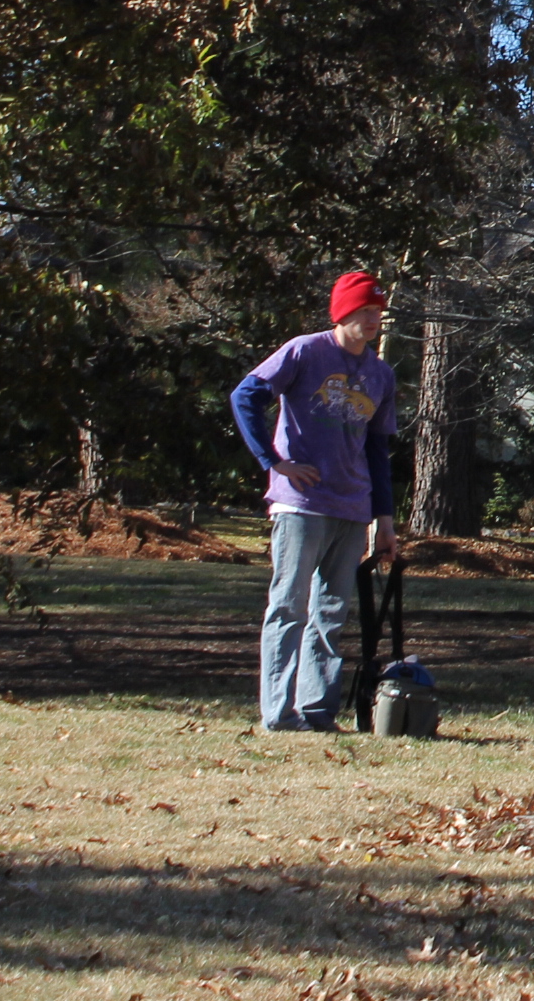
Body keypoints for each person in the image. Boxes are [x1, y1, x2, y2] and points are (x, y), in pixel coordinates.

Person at [232, 271, 400, 732]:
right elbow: (245, 395)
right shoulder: (305, 351)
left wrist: (384, 521)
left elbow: (377, 451)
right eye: (365, 311)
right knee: (289, 606)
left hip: (352, 508)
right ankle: (278, 713)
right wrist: (274, 461)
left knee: (330, 614)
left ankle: (317, 711)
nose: (373, 320)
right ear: (343, 311)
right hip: (301, 504)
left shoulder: (380, 374)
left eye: (378, 312)